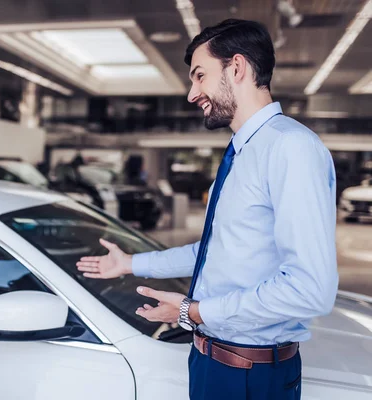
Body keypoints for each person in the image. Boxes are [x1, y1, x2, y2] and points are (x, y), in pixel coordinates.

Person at [76, 19, 338, 400]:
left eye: (200, 76)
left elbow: (311, 290)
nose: (191, 94)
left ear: (237, 68)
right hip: (210, 362)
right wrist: (131, 264)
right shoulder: (243, 153)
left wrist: (195, 312)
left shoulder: (290, 148)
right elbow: (216, 252)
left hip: (250, 374)